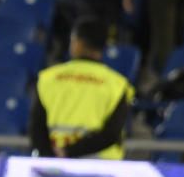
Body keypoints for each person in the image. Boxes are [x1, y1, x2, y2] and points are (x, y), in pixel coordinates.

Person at [30, 17, 133, 159]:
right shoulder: (118, 84)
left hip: (58, 166)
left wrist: (55, 156)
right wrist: (71, 151)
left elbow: (37, 130)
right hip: (103, 170)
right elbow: (111, 134)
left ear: (77, 43)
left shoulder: (48, 78)